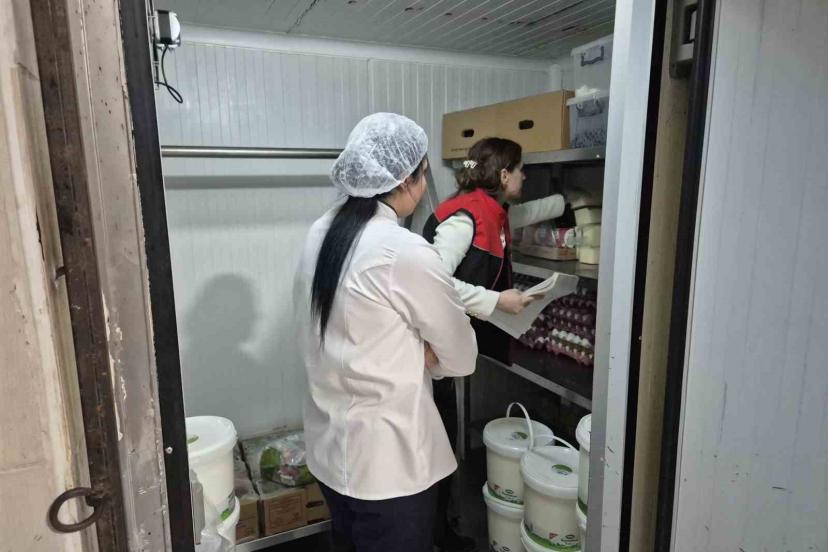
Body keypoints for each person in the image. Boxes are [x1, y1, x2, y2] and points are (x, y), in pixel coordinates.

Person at [294, 113, 478, 552]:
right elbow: (462, 356)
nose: (425, 185)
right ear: (410, 178)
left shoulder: (321, 232)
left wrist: (411, 347)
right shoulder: (402, 250)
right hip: (389, 469)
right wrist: (423, 354)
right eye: (424, 173)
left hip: (330, 450)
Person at [423, 137, 574, 552]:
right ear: (505, 175)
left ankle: (441, 529)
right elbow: (433, 282)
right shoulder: (466, 219)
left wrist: (567, 201)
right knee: (440, 442)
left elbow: (524, 214)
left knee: (443, 438)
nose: (525, 176)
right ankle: (438, 536)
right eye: (521, 170)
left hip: (446, 344)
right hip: (431, 349)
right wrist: (495, 301)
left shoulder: (489, 209)